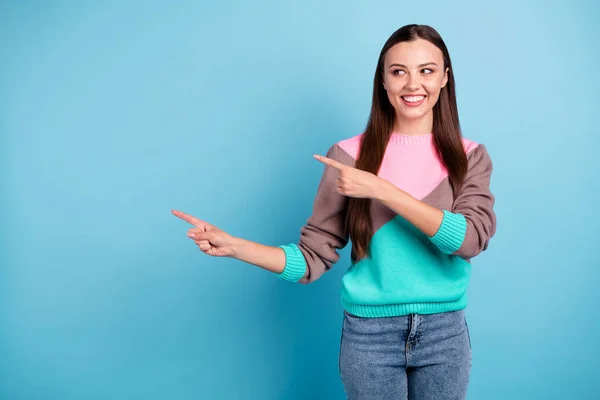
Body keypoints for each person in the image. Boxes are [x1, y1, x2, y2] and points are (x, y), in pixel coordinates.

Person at [173, 23, 496, 400]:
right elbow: (311, 259)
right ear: (383, 81)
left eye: (426, 70)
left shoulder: (469, 156)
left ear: (444, 77)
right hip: (369, 336)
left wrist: (380, 189)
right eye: (398, 71)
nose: (413, 84)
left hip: (445, 334)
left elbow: (470, 240)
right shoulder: (347, 157)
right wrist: (234, 246)